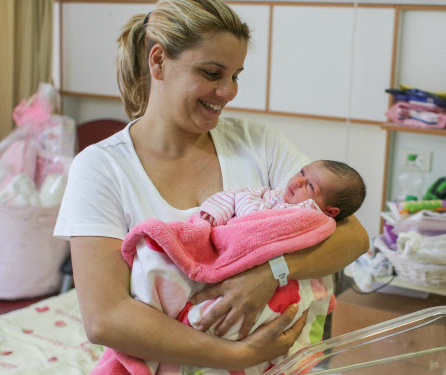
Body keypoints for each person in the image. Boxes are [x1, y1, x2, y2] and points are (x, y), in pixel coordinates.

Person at [53, 0, 369, 372]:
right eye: (211, 72)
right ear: (158, 61)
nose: (228, 91)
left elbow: (353, 235)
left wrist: (270, 272)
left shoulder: (256, 143)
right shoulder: (102, 168)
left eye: (235, 75)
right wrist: (240, 355)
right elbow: (105, 318)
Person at [200, 159, 366, 226]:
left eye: (311, 186)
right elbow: (242, 191)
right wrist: (218, 211)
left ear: (329, 211)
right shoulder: (279, 196)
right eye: (302, 172)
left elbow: (254, 220)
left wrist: (241, 198)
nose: (298, 181)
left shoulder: (305, 216)